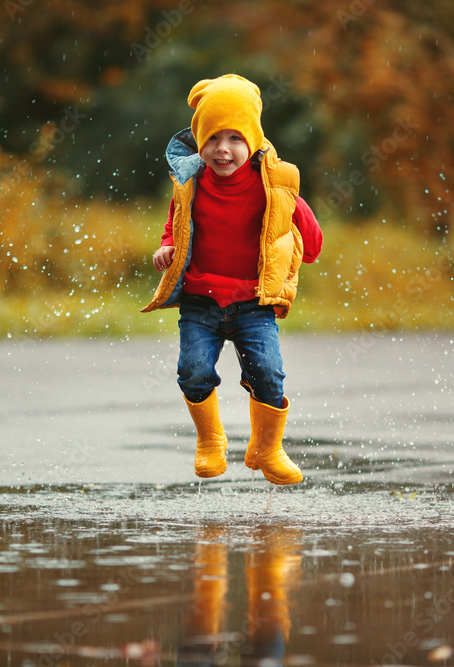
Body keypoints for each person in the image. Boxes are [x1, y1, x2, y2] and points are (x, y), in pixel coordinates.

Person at [143, 74, 322, 485]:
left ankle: (267, 447)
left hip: (254, 303)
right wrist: (166, 247)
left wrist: (293, 203)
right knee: (193, 369)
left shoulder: (273, 187)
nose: (223, 149)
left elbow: (311, 248)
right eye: (212, 139)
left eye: (235, 138)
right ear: (199, 142)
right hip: (201, 301)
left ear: (254, 142)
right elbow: (176, 226)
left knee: (268, 373)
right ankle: (210, 440)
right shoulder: (189, 184)